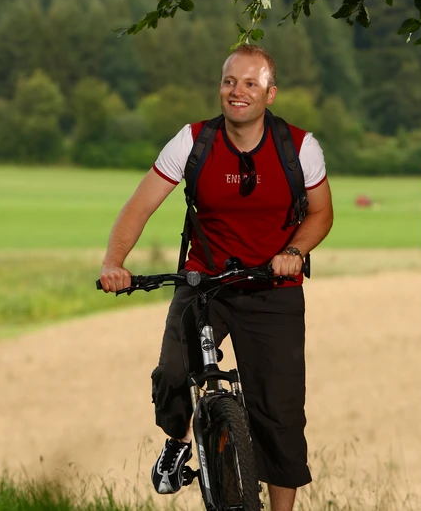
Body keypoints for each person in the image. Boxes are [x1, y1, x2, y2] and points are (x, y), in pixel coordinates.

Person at [98, 44, 334, 511]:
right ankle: (177, 438)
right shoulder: (192, 142)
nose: (237, 92)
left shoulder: (299, 147)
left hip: (272, 287)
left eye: (250, 83)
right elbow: (140, 205)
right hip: (205, 283)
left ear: (270, 93)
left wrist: (294, 251)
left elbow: (322, 214)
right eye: (230, 82)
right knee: (171, 373)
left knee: (279, 413)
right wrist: (114, 261)